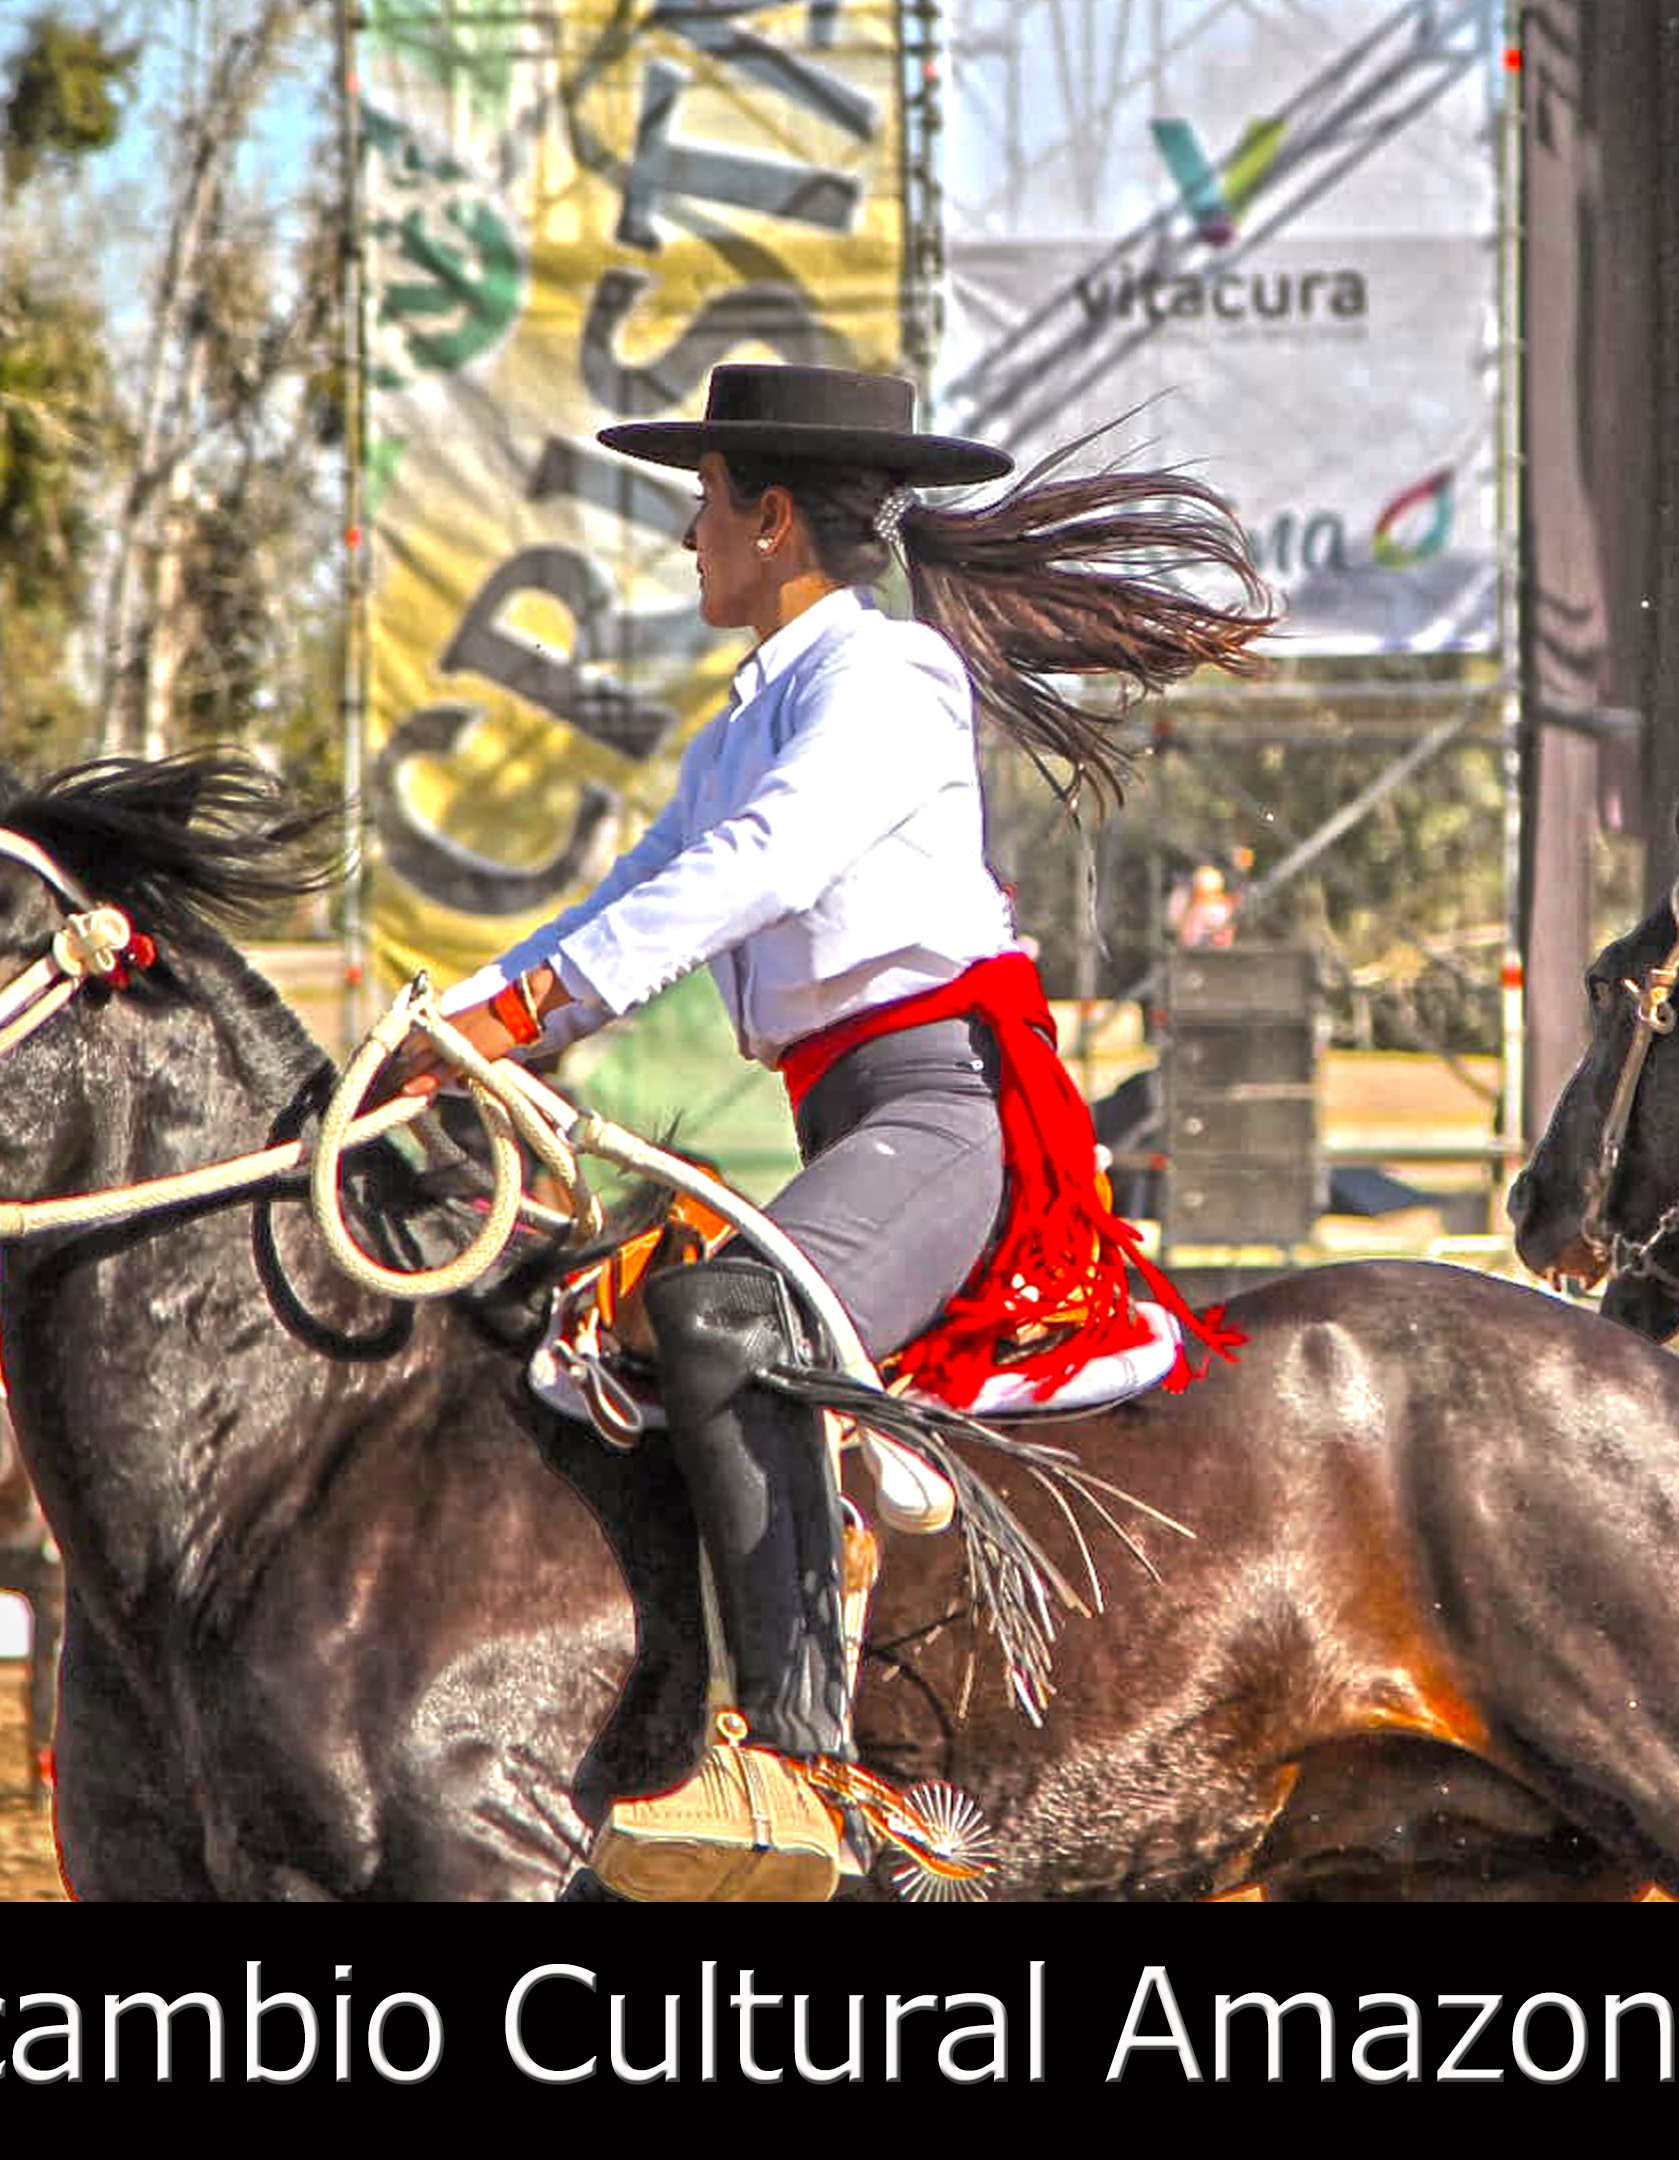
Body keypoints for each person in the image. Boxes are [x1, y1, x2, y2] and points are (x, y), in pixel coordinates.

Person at [384, 363, 1278, 1899]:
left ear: (774, 514)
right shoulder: (743, 720)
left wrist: (517, 1017)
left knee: (724, 1308)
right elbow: (630, 895)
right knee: (612, 1328)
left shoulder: (888, 678)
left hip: (951, 1111)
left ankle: (797, 1770)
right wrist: (436, 1030)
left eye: (704, 504)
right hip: (861, 1113)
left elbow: (760, 862)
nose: (687, 541)